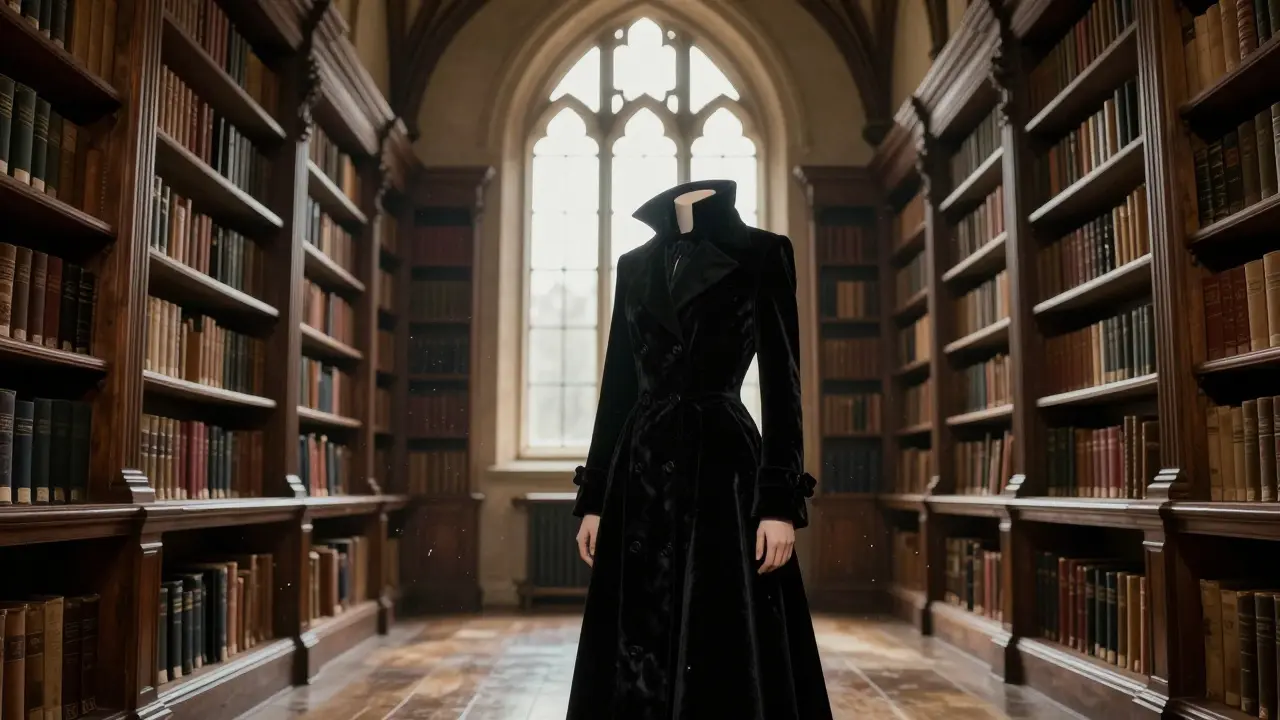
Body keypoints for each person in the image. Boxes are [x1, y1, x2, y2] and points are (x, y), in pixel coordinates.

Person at [567, 179, 833, 719]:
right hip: (637, 470)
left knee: (720, 632)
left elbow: (784, 387)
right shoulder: (633, 264)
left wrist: (780, 504)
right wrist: (594, 497)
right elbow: (617, 386)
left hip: (722, 467)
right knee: (633, 644)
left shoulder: (763, 252)